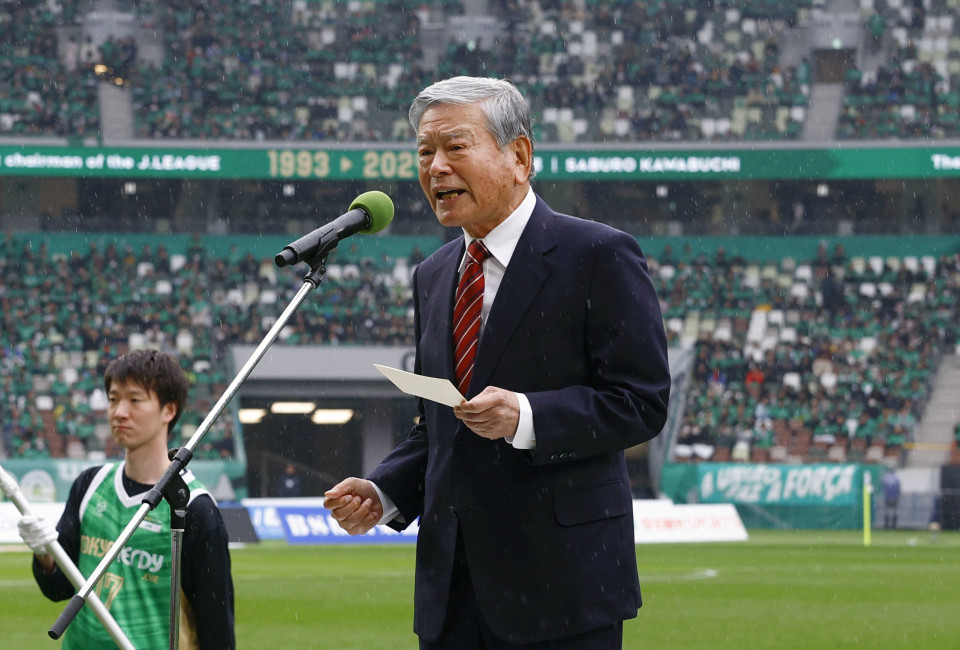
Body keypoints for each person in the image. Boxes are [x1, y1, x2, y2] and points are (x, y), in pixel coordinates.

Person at [324, 76, 671, 649]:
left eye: (456, 147)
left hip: (562, 589)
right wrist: (384, 490)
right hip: (451, 593)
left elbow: (640, 403)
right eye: (424, 151)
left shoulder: (598, 255)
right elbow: (441, 422)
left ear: (520, 156)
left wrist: (527, 416)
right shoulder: (433, 275)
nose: (435, 167)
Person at [17, 349, 235, 649]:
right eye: (113, 398)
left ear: (168, 410)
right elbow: (59, 589)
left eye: (135, 400)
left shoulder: (195, 508)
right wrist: (44, 555)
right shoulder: (89, 484)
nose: (119, 412)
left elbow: (216, 630)